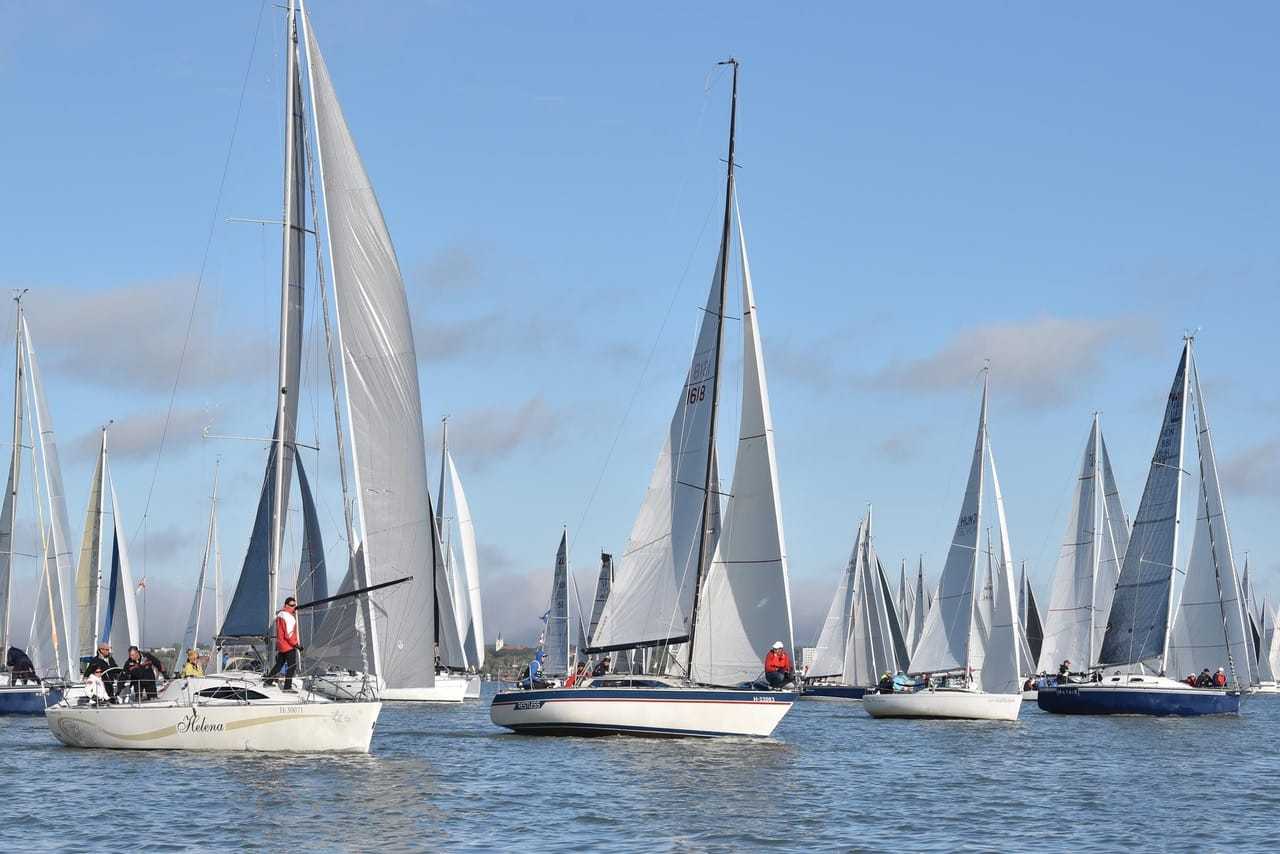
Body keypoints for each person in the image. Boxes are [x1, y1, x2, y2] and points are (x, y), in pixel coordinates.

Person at [263, 597, 303, 691]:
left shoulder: (280, 614)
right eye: (292, 605)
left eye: (294, 605)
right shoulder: (289, 617)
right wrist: (297, 645)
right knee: (292, 666)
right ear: (286, 605)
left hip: (281, 645)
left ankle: (268, 682)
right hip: (288, 646)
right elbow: (289, 634)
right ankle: (287, 687)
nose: (294, 607)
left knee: (279, 664)